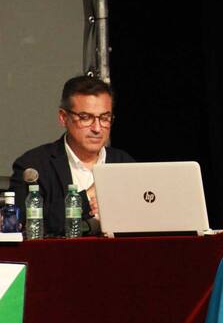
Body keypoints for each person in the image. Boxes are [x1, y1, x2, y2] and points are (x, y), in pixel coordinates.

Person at [9, 75, 134, 236]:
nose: (97, 128)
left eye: (105, 118)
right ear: (63, 117)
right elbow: (22, 225)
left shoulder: (123, 163)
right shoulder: (34, 166)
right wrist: (87, 197)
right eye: (85, 118)